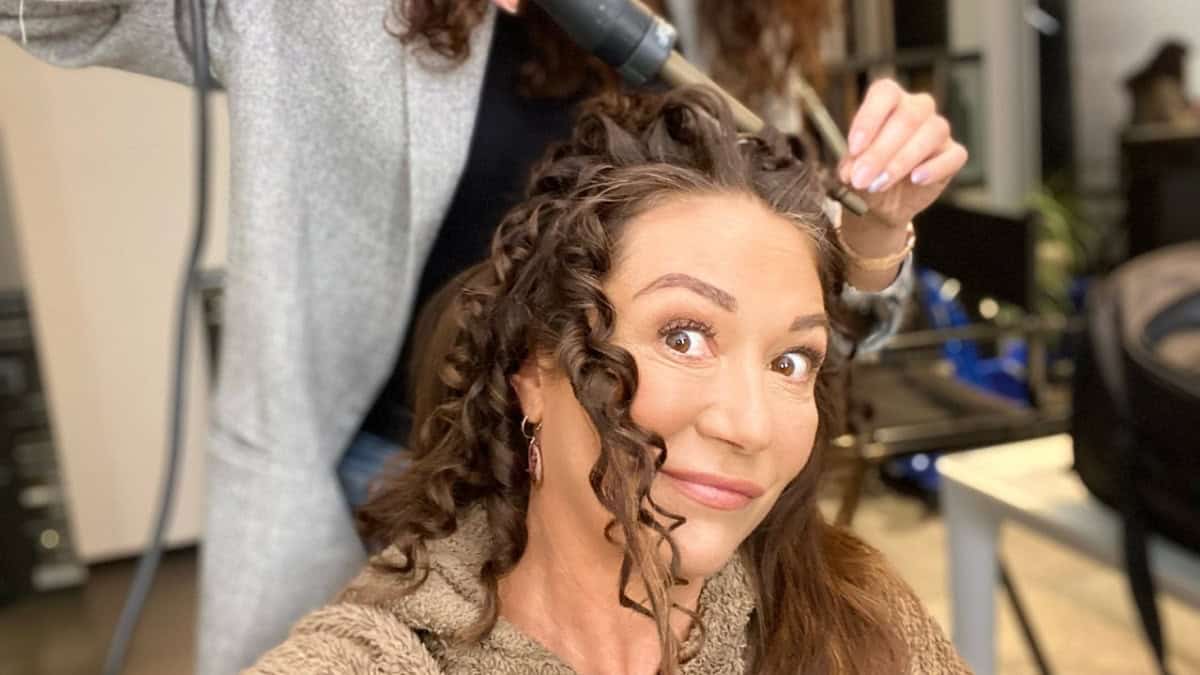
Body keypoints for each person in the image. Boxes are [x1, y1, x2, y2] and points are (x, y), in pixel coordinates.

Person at [1, 2, 964, 672]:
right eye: (680, 332)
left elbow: (793, 312)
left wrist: (875, 232)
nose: (752, 421)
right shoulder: (331, 16)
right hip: (362, 453)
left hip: (637, 456)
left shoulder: (733, 30)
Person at [248, 87, 969, 675]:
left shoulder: (857, 619)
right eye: (683, 337)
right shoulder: (378, 658)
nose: (749, 425)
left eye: (789, 362)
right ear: (534, 368)